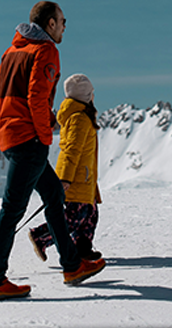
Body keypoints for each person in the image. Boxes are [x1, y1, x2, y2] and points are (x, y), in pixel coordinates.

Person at [0, 1, 105, 301]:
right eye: (63, 21)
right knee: (11, 210)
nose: (65, 26)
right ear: (50, 24)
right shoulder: (46, 50)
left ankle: (72, 265)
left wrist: (14, 123)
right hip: (29, 142)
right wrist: (42, 134)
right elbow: (37, 98)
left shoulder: (11, 52)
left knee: (53, 196)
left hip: (13, 138)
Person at [29, 74, 103, 262]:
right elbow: (71, 150)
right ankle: (41, 236)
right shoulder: (79, 118)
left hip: (85, 178)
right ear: (87, 96)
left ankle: (82, 248)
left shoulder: (82, 116)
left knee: (90, 215)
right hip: (76, 178)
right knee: (73, 218)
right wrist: (65, 179)